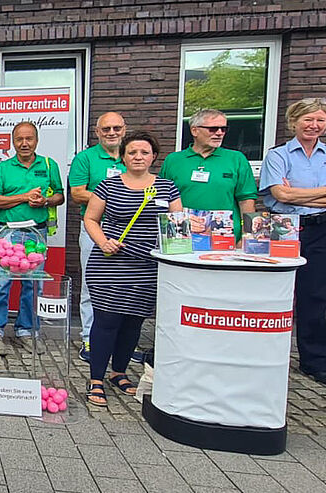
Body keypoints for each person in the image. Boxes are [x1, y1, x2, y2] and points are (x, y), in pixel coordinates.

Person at [259, 97, 326, 386]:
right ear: (294, 121)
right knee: (273, 294)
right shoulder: (278, 156)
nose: (314, 125)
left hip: (323, 230)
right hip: (284, 227)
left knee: (315, 295)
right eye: (308, 119)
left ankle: (315, 363)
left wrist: (302, 192)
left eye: (320, 120)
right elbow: (281, 195)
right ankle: (263, 356)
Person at [83, 132, 181, 406]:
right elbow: (91, 219)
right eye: (133, 152)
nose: (138, 157)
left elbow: (177, 224)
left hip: (147, 266)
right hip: (110, 264)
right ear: (123, 156)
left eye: (144, 152)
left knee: (133, 322)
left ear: (153, 156)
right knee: (107, 321)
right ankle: (96, 379)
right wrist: (103, 241)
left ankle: (119, 372)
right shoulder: (108, 186)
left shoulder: (167, 188)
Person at [0, 122, 64, 355]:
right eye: (19, 139)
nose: (24, 143)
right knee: (1, 283)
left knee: (33, 284)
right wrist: (23, 197)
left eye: (29, 138)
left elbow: (60, 196)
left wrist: (45, 201)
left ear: (36, 141)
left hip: (36, 234)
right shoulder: (3, 168)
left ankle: (26, 331)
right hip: (7, 233)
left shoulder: (49, 165)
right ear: (13, 141)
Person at [68, 112, 127, 363]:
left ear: (124, 130)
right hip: (96, 227)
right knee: (92, 283)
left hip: (129, 231)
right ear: (97, 131)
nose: (111, 133)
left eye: (116, 128)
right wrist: (113, 197)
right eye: (106, 129)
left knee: (125, 285)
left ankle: (121, 341)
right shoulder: (85, 159)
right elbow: (78, 193)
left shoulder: (132, 156)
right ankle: (89, 339)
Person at [160, 109, 257, 245]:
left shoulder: (236, 159)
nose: (219, 133)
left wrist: (247, 235)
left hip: (225, 238)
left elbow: (246, 200)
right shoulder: (173, 160)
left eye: (223, 129)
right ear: (194, 131)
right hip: (182, 237)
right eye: (213, 129)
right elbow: (163, 199)